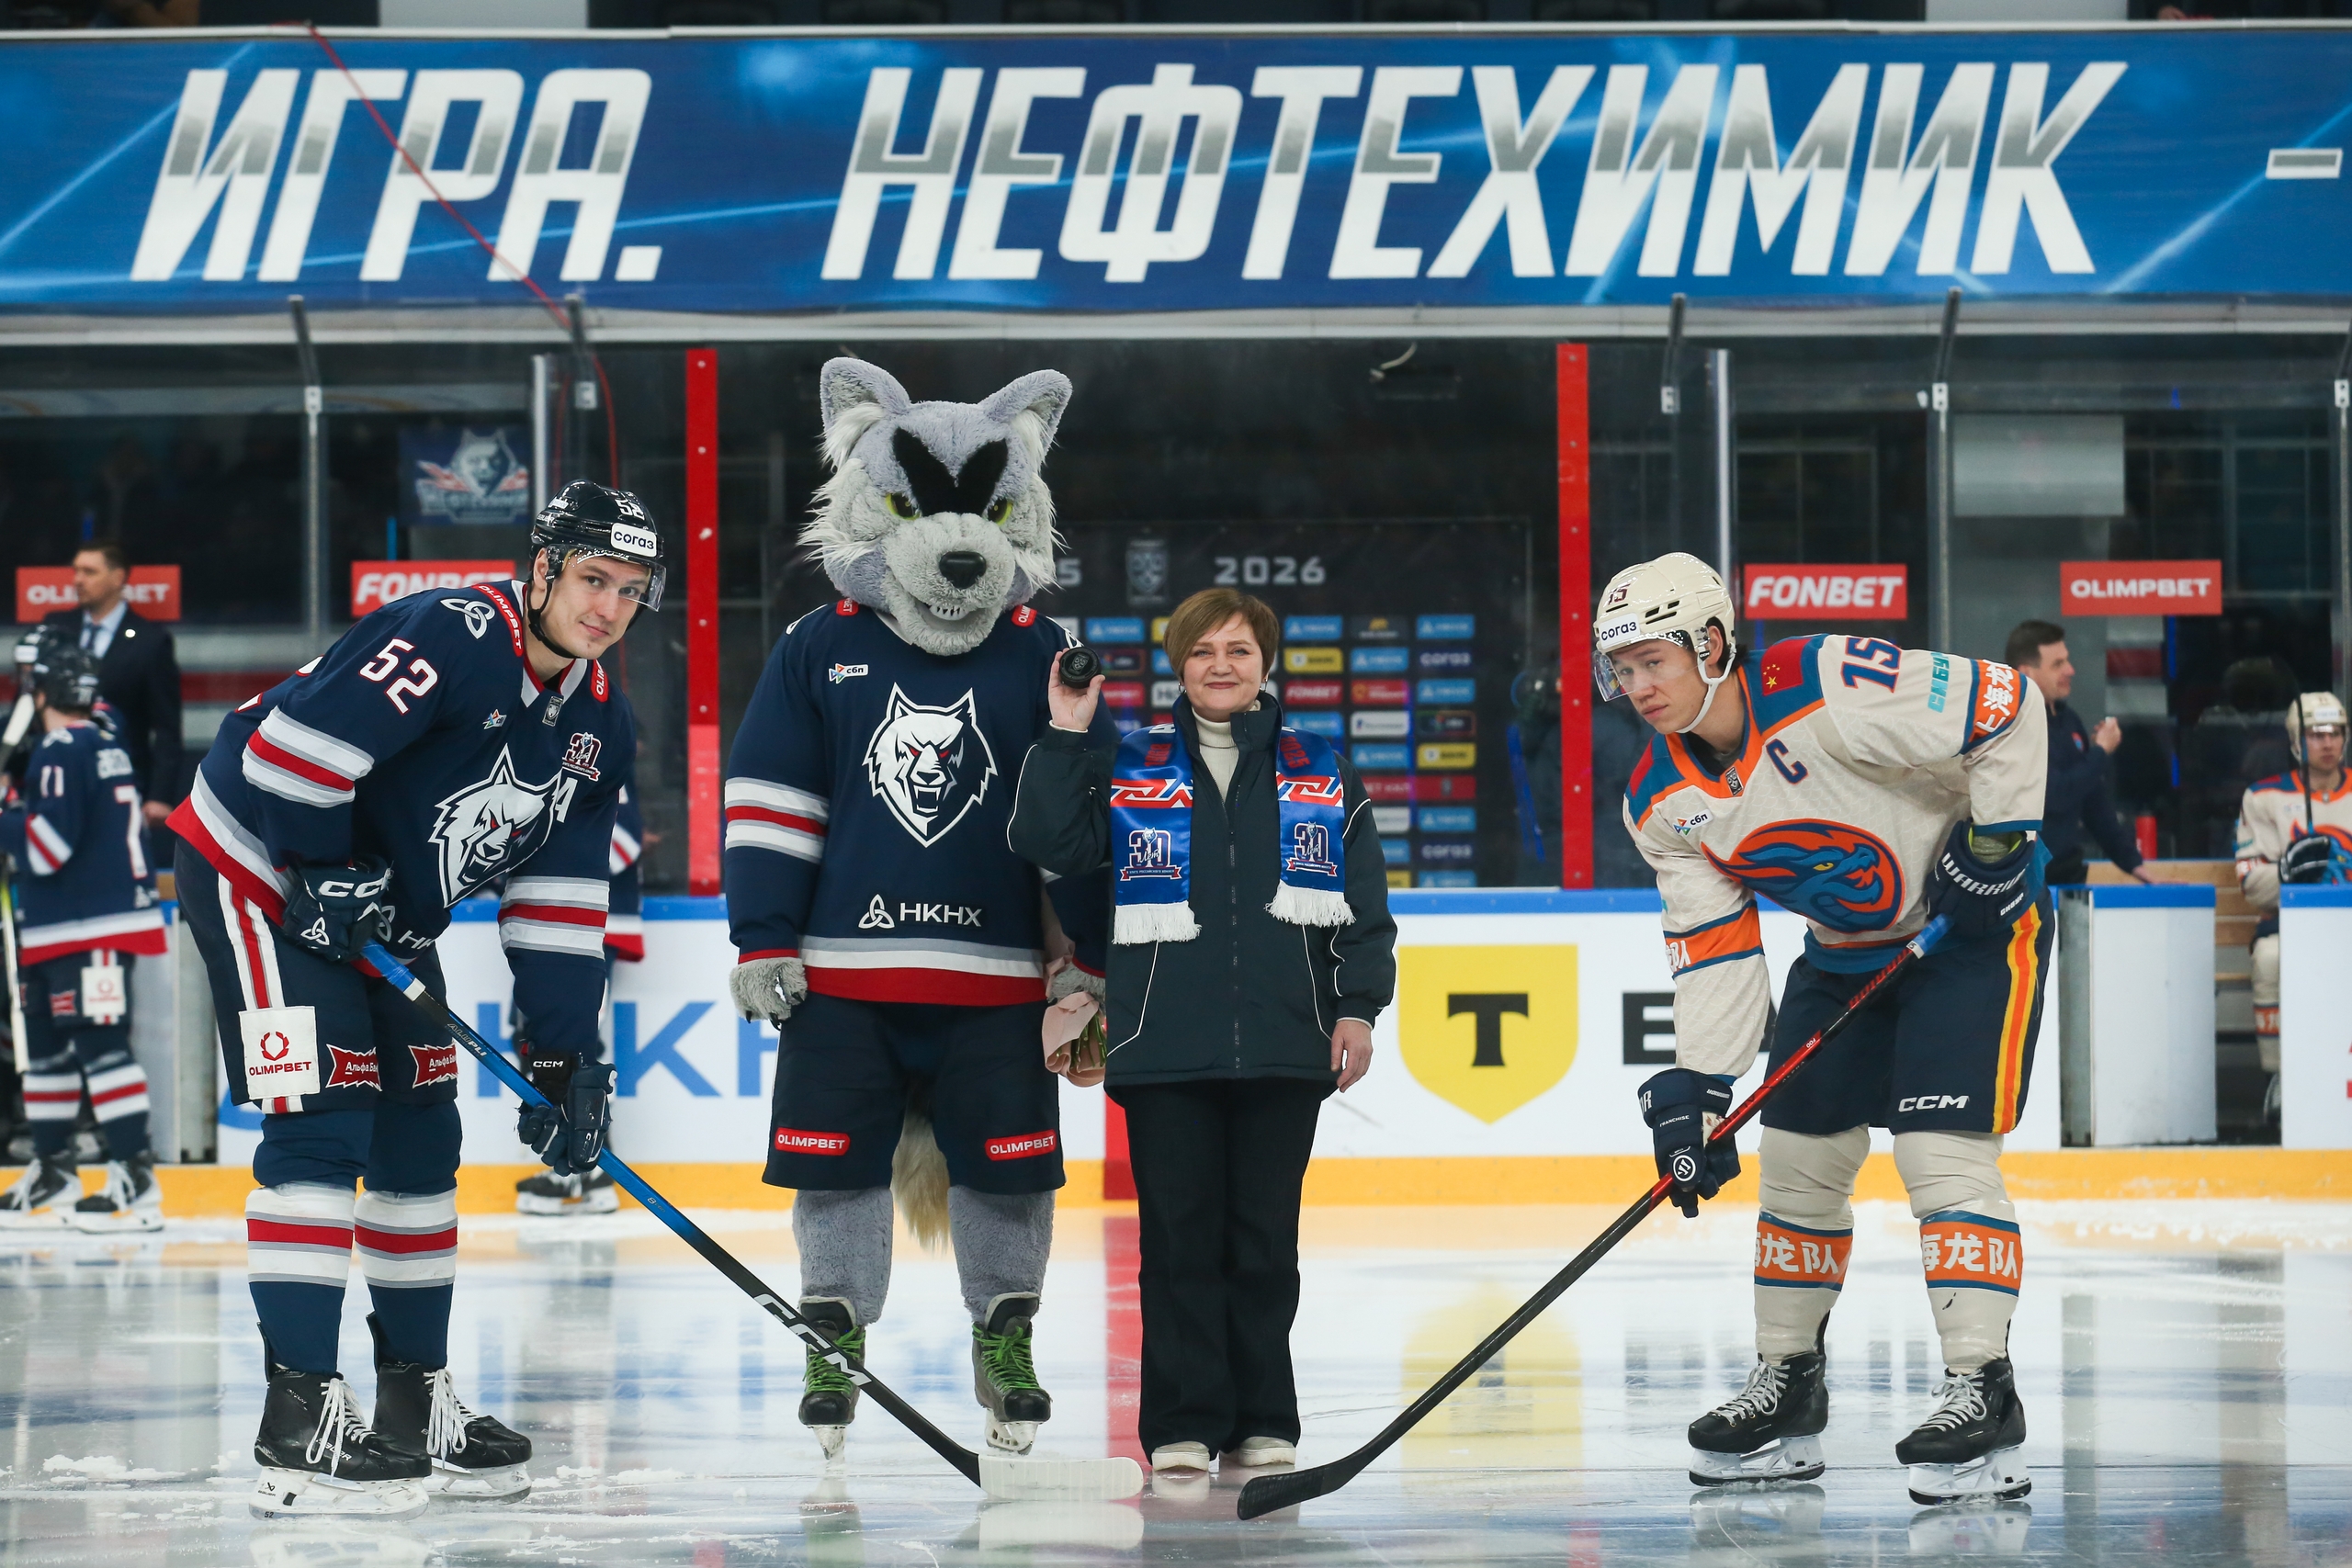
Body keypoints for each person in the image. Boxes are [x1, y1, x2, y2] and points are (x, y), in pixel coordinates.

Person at [166, 480, 656, 1519]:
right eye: (593, 578)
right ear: (543, 569)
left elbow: (562, 904)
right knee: (321, 1121)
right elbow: (290, 754)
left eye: (630, 590)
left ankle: (413, 1398)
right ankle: (299, 1414)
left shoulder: (599, 725)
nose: (609, 607)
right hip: (261, 871)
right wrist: (319, 866)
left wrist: (567, 1057)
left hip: (379, 908)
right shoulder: (452, 631)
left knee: (422, 1135)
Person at [723, 357, 1114, 1464]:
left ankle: (1006, 1341)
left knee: (1009, 1172)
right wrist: (764, 937)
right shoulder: (818, 645)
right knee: (832, 1167)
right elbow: (771, 798)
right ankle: (833, 1339)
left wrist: (1085, 959)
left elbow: (1079, 820)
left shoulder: (1044, 652)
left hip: (997, 984)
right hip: (842, 981)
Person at [1600, 553, 2048, 1506]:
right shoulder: (1659, 801)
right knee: (1798, 1162)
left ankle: (1983, 1388)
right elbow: (1714, 949)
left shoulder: (1824, 680)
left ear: (1711, 643)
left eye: (1652, 661)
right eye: (1622, 669)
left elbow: (2008, 705)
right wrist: (1699, 1093)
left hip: (1969, 936)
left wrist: (1996, 842)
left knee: (1940, 1155)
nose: (1637, 687)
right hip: (1845, 954)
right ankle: (1789, 1384)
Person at [1009, 587, 1396, 1476]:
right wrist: (1066, 731)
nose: (1221, 665)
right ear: (1178, 664)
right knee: (1178, 1243)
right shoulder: (1130, 762)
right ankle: (1182, 1422)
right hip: (1162, 1046)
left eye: (1239, 649)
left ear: (1266, 664)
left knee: (1264, 1245)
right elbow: (1047, 842)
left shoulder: (1324, 771)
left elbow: (1364, 908)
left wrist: (1356, 1007)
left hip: (1287, 1044)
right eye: (1203, 650)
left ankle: (1264, 1418)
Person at [0, 633, 166, 1230]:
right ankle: (54, 1170)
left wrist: (5, 817)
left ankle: (136, 1181)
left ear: (41, 691)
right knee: (45, 1051)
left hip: (88, 926)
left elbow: (47, 848)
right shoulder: (103, 737)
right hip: (59, 927)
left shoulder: (60, 748)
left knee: (100, 1047)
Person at [515, 775, 639, 1218]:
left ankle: (588, 1172)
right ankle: (580, 1169)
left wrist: (547, 853)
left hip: (585, 929)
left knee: (576, 1050)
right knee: (545, 1045)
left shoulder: (597, 755)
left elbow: (625, 839)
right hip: (558, 928)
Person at [2233, 691, 2349, 1124]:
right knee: (2270, 957)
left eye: (2335, 732)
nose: (2327, 742)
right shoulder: (2263, 797)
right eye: (2316, 734)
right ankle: (2280, 1075)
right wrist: (2285, 872)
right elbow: (2251, 883)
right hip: (2291, 926)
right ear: (2297, 741)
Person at [40, 540, 183, 844]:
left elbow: (167, 727)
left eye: (89, 572)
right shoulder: (54, 629)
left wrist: (160, 796)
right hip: (55, 779)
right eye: (76, 571)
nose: (78, 580)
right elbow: (30, 702)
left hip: (121, 780)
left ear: (118, 578)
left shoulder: (150, 641)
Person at [2006, 621, 2148, 886]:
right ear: (2027, 672)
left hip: (2068, 874)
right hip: (2023, 881)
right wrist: (2100, 752)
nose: (2070, 670)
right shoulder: (2013, 726)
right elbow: (2056, 794)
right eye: (2057, 664)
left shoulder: (2069, 720)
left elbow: (2093, 802)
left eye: (2067, 661)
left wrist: (2134, 864)